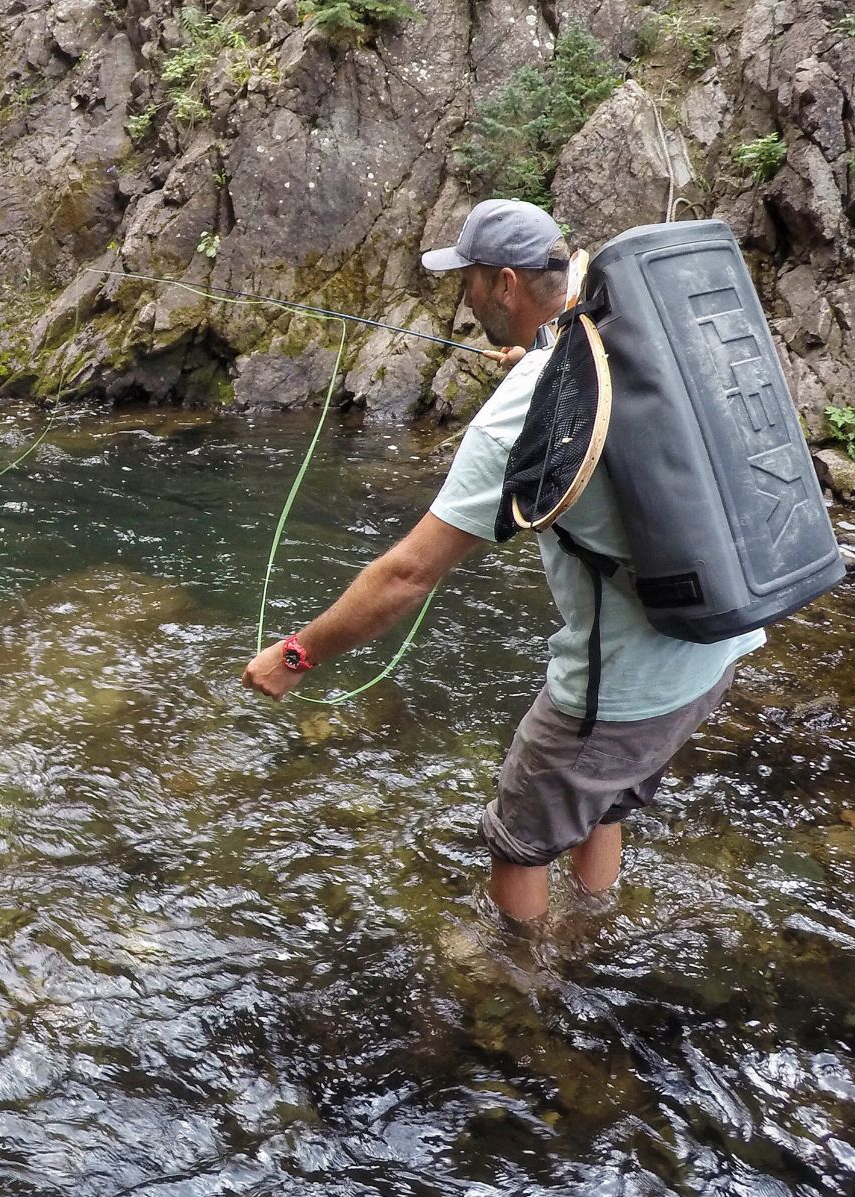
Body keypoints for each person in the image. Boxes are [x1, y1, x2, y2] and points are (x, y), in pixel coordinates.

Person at [239, 198, 762, 923]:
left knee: (518, 841)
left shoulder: (522, 411)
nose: (465, 296)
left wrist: (296, 656)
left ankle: (522, 999)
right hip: (720, 638)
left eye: (471, 280)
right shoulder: (626, 329)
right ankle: (597, 925)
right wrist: (536, 358)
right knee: (604, 798)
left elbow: (407, 574)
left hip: (622, 687)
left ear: (507, 285)